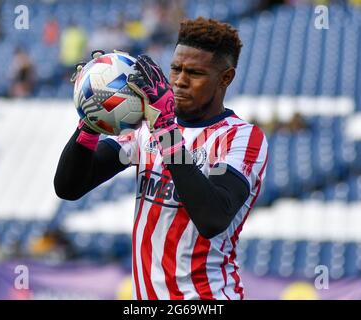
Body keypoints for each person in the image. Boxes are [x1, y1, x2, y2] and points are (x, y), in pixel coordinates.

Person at [54, 17, 268, 300]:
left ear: (225, 78)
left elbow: (211, 218)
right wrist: (91, 121)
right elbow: (69, 187)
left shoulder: (239, 137)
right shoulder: (145, 126)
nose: (179, 81)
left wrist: (166, 128)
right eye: (176, 69)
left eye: (194, 73)